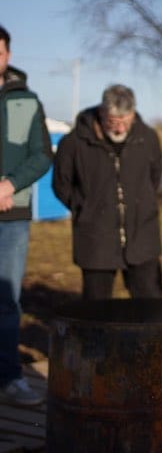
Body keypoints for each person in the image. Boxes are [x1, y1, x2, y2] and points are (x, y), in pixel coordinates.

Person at [52, 84, 162, 300]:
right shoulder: (74, 142)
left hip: (142, 236)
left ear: (133, 114)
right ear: (101, 113)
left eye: (125, 121)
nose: (120, 129)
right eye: (113, 122)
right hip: (95, 240)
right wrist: (84, 207)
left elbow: (154, 177)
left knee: (150, 302)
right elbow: (61, 184)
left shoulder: (148, 137)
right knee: (96, 306)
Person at [0, 24, 53, 406]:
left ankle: (9, 377)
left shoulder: (28, 101)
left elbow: (42, 155)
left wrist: (9, 185)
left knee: (7, 300)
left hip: (12, 217)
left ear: (8, 55)